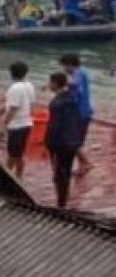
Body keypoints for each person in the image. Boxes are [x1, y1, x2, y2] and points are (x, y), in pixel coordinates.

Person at [45, 71, 83, 209]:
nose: (49, 85)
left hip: (59, 143)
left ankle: (61, 204)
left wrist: (48, 142)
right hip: (72, 142)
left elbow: (54, 125)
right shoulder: (71, 98)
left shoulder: (56, 103)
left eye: (50, 82)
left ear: (55, 84)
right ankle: (63, 201)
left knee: (59, 174)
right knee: (65, 171)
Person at [0, 61, 35, 177]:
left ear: (11, 73)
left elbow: (12, 109)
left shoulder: (14, 88)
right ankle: (19, 176)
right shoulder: (30, 86)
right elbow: (32, 106)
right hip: (27, 124)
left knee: (12, 155)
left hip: (16, 126)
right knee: (19, 154)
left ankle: (7, 177)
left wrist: (3, 127)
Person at [60, 53, 94, 177]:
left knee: (72, 140)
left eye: (64, 66)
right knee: (76, 140)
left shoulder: (77, 74)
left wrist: (63, 84)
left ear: (70, 64)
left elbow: (76, 88)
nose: (64, 69)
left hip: (80, 113)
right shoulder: (82, 72)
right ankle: (82, 164)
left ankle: (86, 162)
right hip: (85, 111)